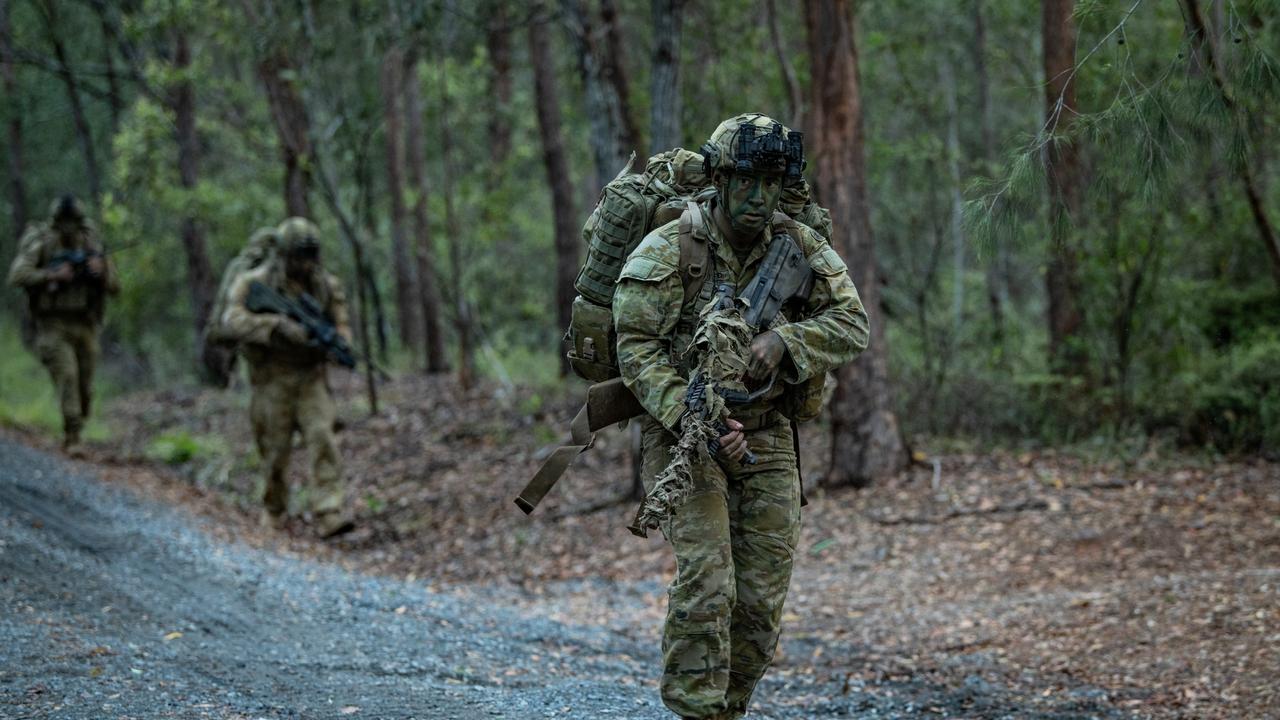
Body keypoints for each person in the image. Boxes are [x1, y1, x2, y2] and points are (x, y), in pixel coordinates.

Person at [612, 114, 870, 719]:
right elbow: (636, 348)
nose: (759, 197)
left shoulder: (797, 244)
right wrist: (691, 412)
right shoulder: (675, 246)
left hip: (767, 437)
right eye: (748, 182)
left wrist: (786, 345)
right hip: (684, 436)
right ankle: (694, 711)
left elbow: (853, 323)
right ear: (721, 181)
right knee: (707, 581)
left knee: (758, 603)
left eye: (772, 184)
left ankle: (725, 712)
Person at [221, 217, 353, 538]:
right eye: (298, 256)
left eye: (310, 256)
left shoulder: (325, 287)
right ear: (284, 255)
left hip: (310, 377)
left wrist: (336, 344)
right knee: (274, 451)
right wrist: (276, 326)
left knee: (322, 436)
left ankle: (328, 510)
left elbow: (342, 326)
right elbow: (231, 320)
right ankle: (274, 510)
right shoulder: (255, 282)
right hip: (272, 379)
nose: (305, 264)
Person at [6, 194, 119, 450]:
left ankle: (79, 422)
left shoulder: (91, 243)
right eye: (64, 222)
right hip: (52, 324)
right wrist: (51, 275)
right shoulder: (42, 242)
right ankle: (73, 436)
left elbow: (114, 286)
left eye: (73, 222)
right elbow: (17, 275)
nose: (69, 228)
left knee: (85, 387)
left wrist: (100, 271)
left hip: (86, 323)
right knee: (67, 375)